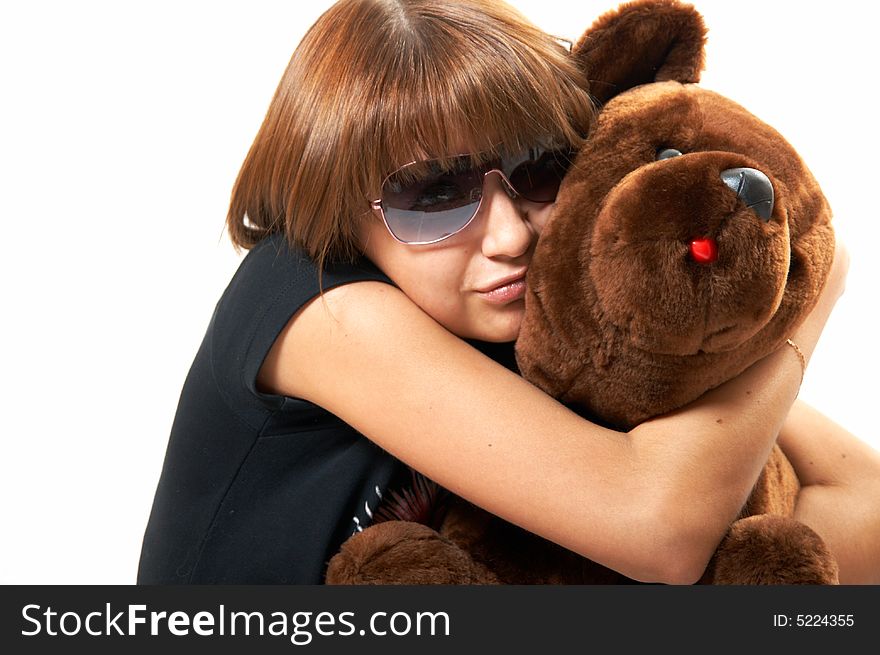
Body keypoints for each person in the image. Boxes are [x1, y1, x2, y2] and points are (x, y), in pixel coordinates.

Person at [137, 0, 880, 585]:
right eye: (432, 192)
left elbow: (864, 505)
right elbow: (659, 527)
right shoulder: (322, 305)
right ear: (335, 204)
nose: (508, 235)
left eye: (539, 167)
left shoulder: (544, 316)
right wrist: (813, 291)